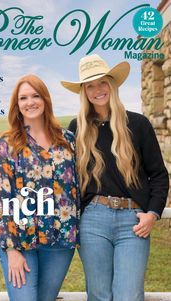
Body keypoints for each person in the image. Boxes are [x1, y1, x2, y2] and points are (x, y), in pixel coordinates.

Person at [61, 54, 169, 301]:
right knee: (98, 295)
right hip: (92, 221)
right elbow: (66, 179)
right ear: (84, 91)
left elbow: (159, 176)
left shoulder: (138, 125)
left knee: (129, 296)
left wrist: (152, 214)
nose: (98, 90)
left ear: (112, 84)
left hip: (133, 221)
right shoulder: (76, 128)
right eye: (90, 85)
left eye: (102, 82)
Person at [0, 74, 80, 301]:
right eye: (23, 98)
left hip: (60, 242)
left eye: (35, 95)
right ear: (17, 105)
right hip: (20, 242)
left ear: (46, 99)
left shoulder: (67, 141)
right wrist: (11, 250)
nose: (30, 102)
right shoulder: (8, 144)